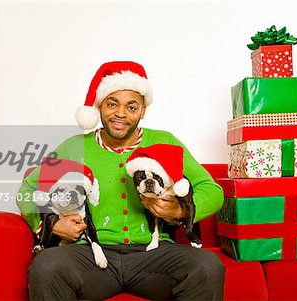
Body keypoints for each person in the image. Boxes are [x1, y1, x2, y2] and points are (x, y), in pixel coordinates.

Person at [17, 61, 225, 300]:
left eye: (131, 106)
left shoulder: (165, 141)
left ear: (143, 110)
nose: (120, 114)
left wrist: (180, 210)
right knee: (47, 266)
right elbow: (28, 190)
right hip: (90, 255)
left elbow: (212, 190)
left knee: (207, 267)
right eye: (112, 104)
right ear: (99, 106)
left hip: (154, 254)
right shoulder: (74, 147)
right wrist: (51, 224)